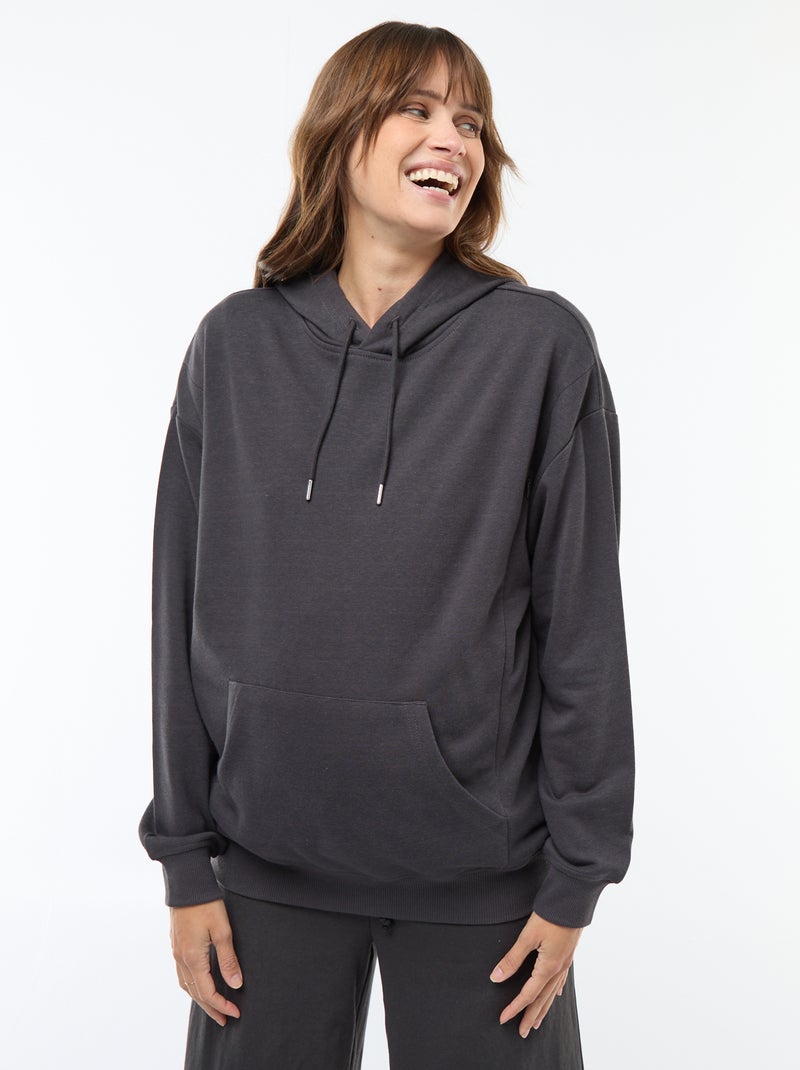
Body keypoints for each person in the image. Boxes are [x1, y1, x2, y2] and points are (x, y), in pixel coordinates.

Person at [138, 20, 635, 1069]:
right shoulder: (232, 345)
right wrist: (184, 860)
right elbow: (177, 611)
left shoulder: (538, 346)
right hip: (261, 872)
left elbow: (581, 626)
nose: (451, 139)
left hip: (483, 881)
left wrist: (576, 878)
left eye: (470, 121)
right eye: (415, 108)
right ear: (340, 131)